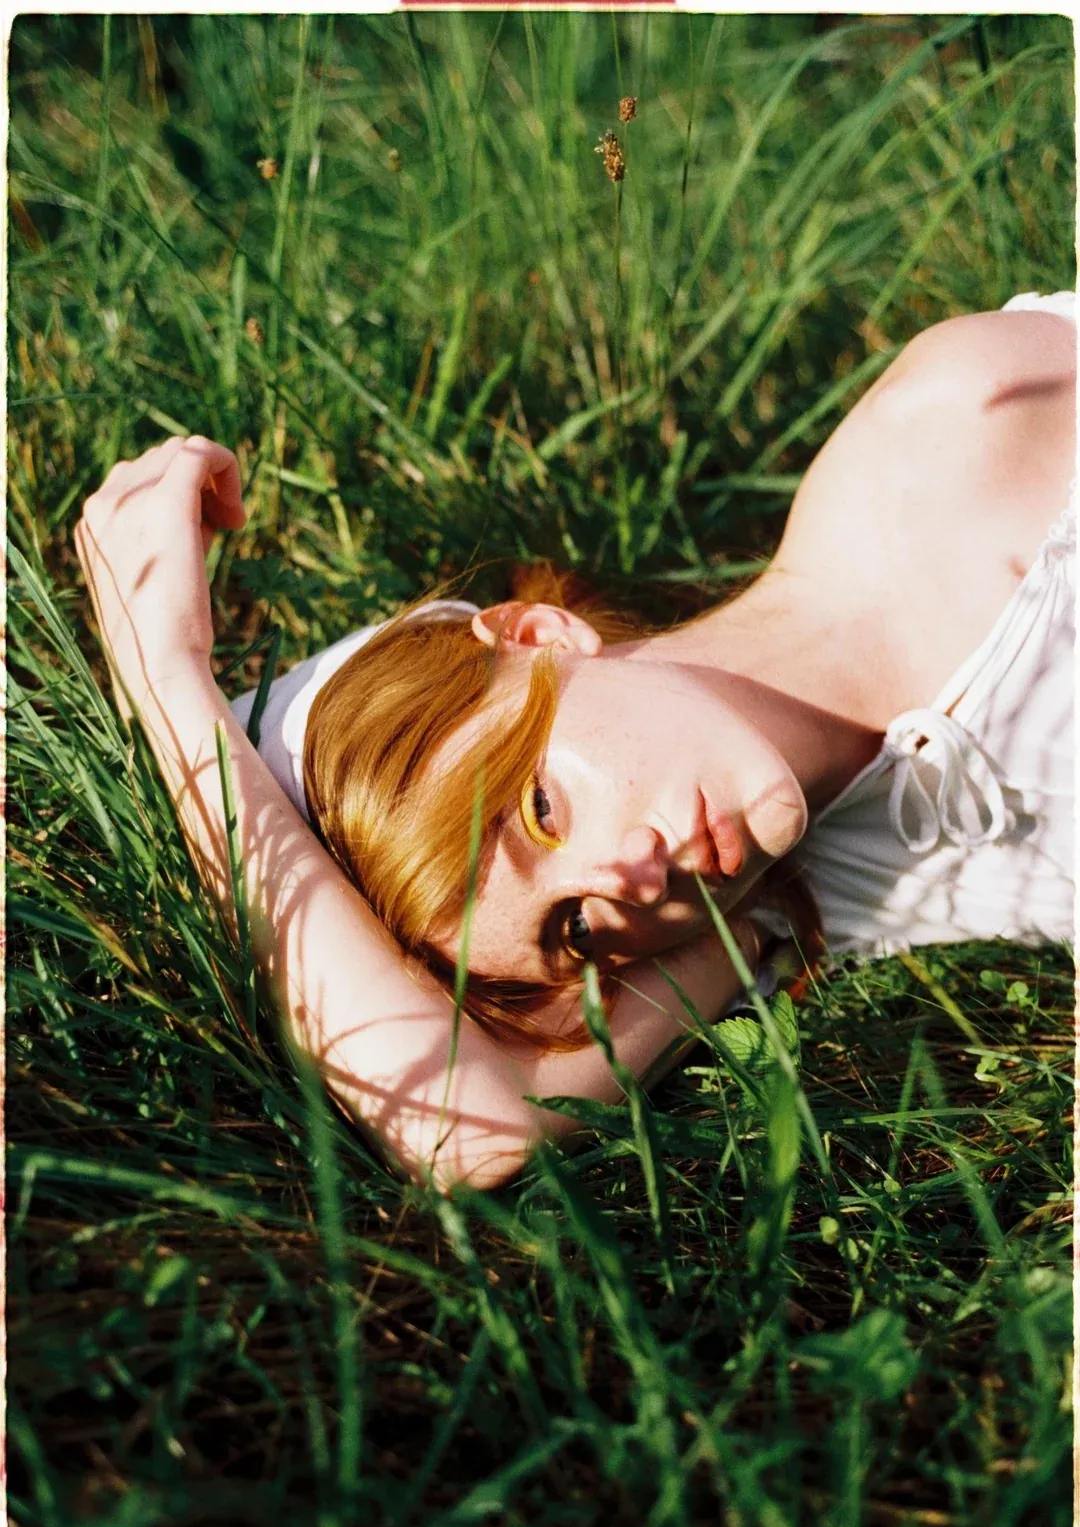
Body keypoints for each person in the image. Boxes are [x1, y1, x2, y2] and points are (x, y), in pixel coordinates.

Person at [74, 291, 1076, 1192]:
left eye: (542, 806)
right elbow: (466, 1128)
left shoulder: (966, 435)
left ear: (536, 636)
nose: (629, 881)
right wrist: (172, 695)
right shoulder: (768, 907)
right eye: (577, 931)